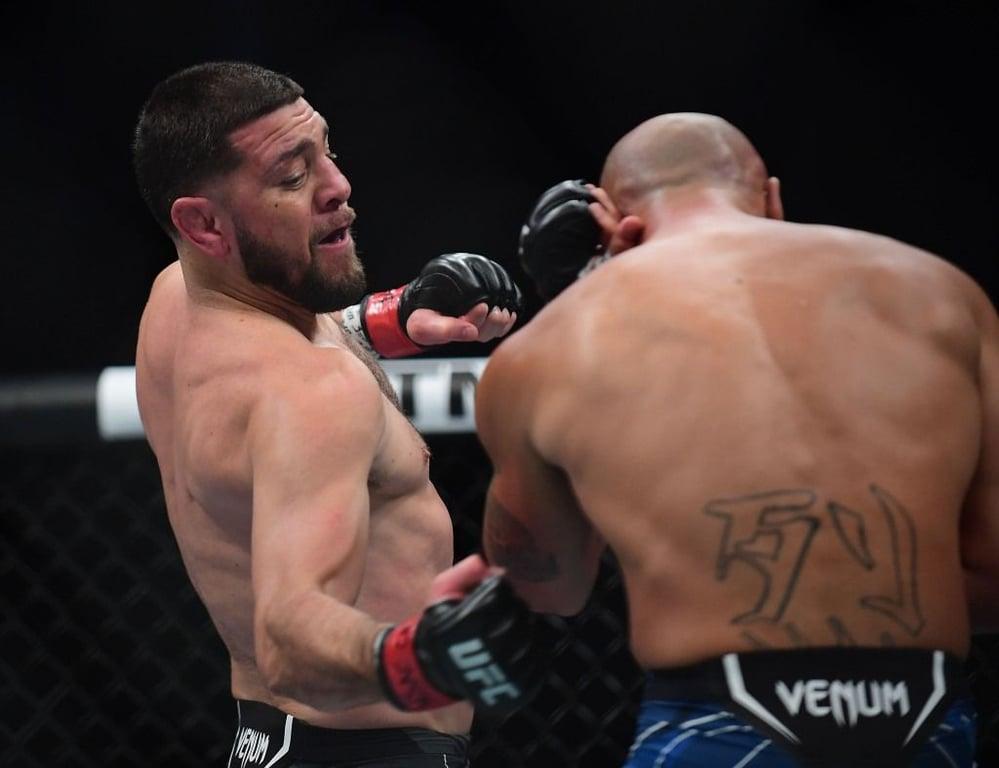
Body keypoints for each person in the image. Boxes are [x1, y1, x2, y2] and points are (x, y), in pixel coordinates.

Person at [475, 112, 998, 767]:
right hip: (926, 714)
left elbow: (548, 586)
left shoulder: (551, 344)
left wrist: (578, 291)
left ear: (613, 224)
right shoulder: (946, 294)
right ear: (771, 199)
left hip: (719, 723)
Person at [132, 61, 537, 768]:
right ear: (203, 224)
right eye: (293, 176)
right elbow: (289, 640)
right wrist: (417, 655)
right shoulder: (313, 391)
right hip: (365, 749)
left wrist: (392, 318)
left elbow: (283, 344)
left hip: (269, 740)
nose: (337, 185)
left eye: (328, 151)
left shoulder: (175, 301)